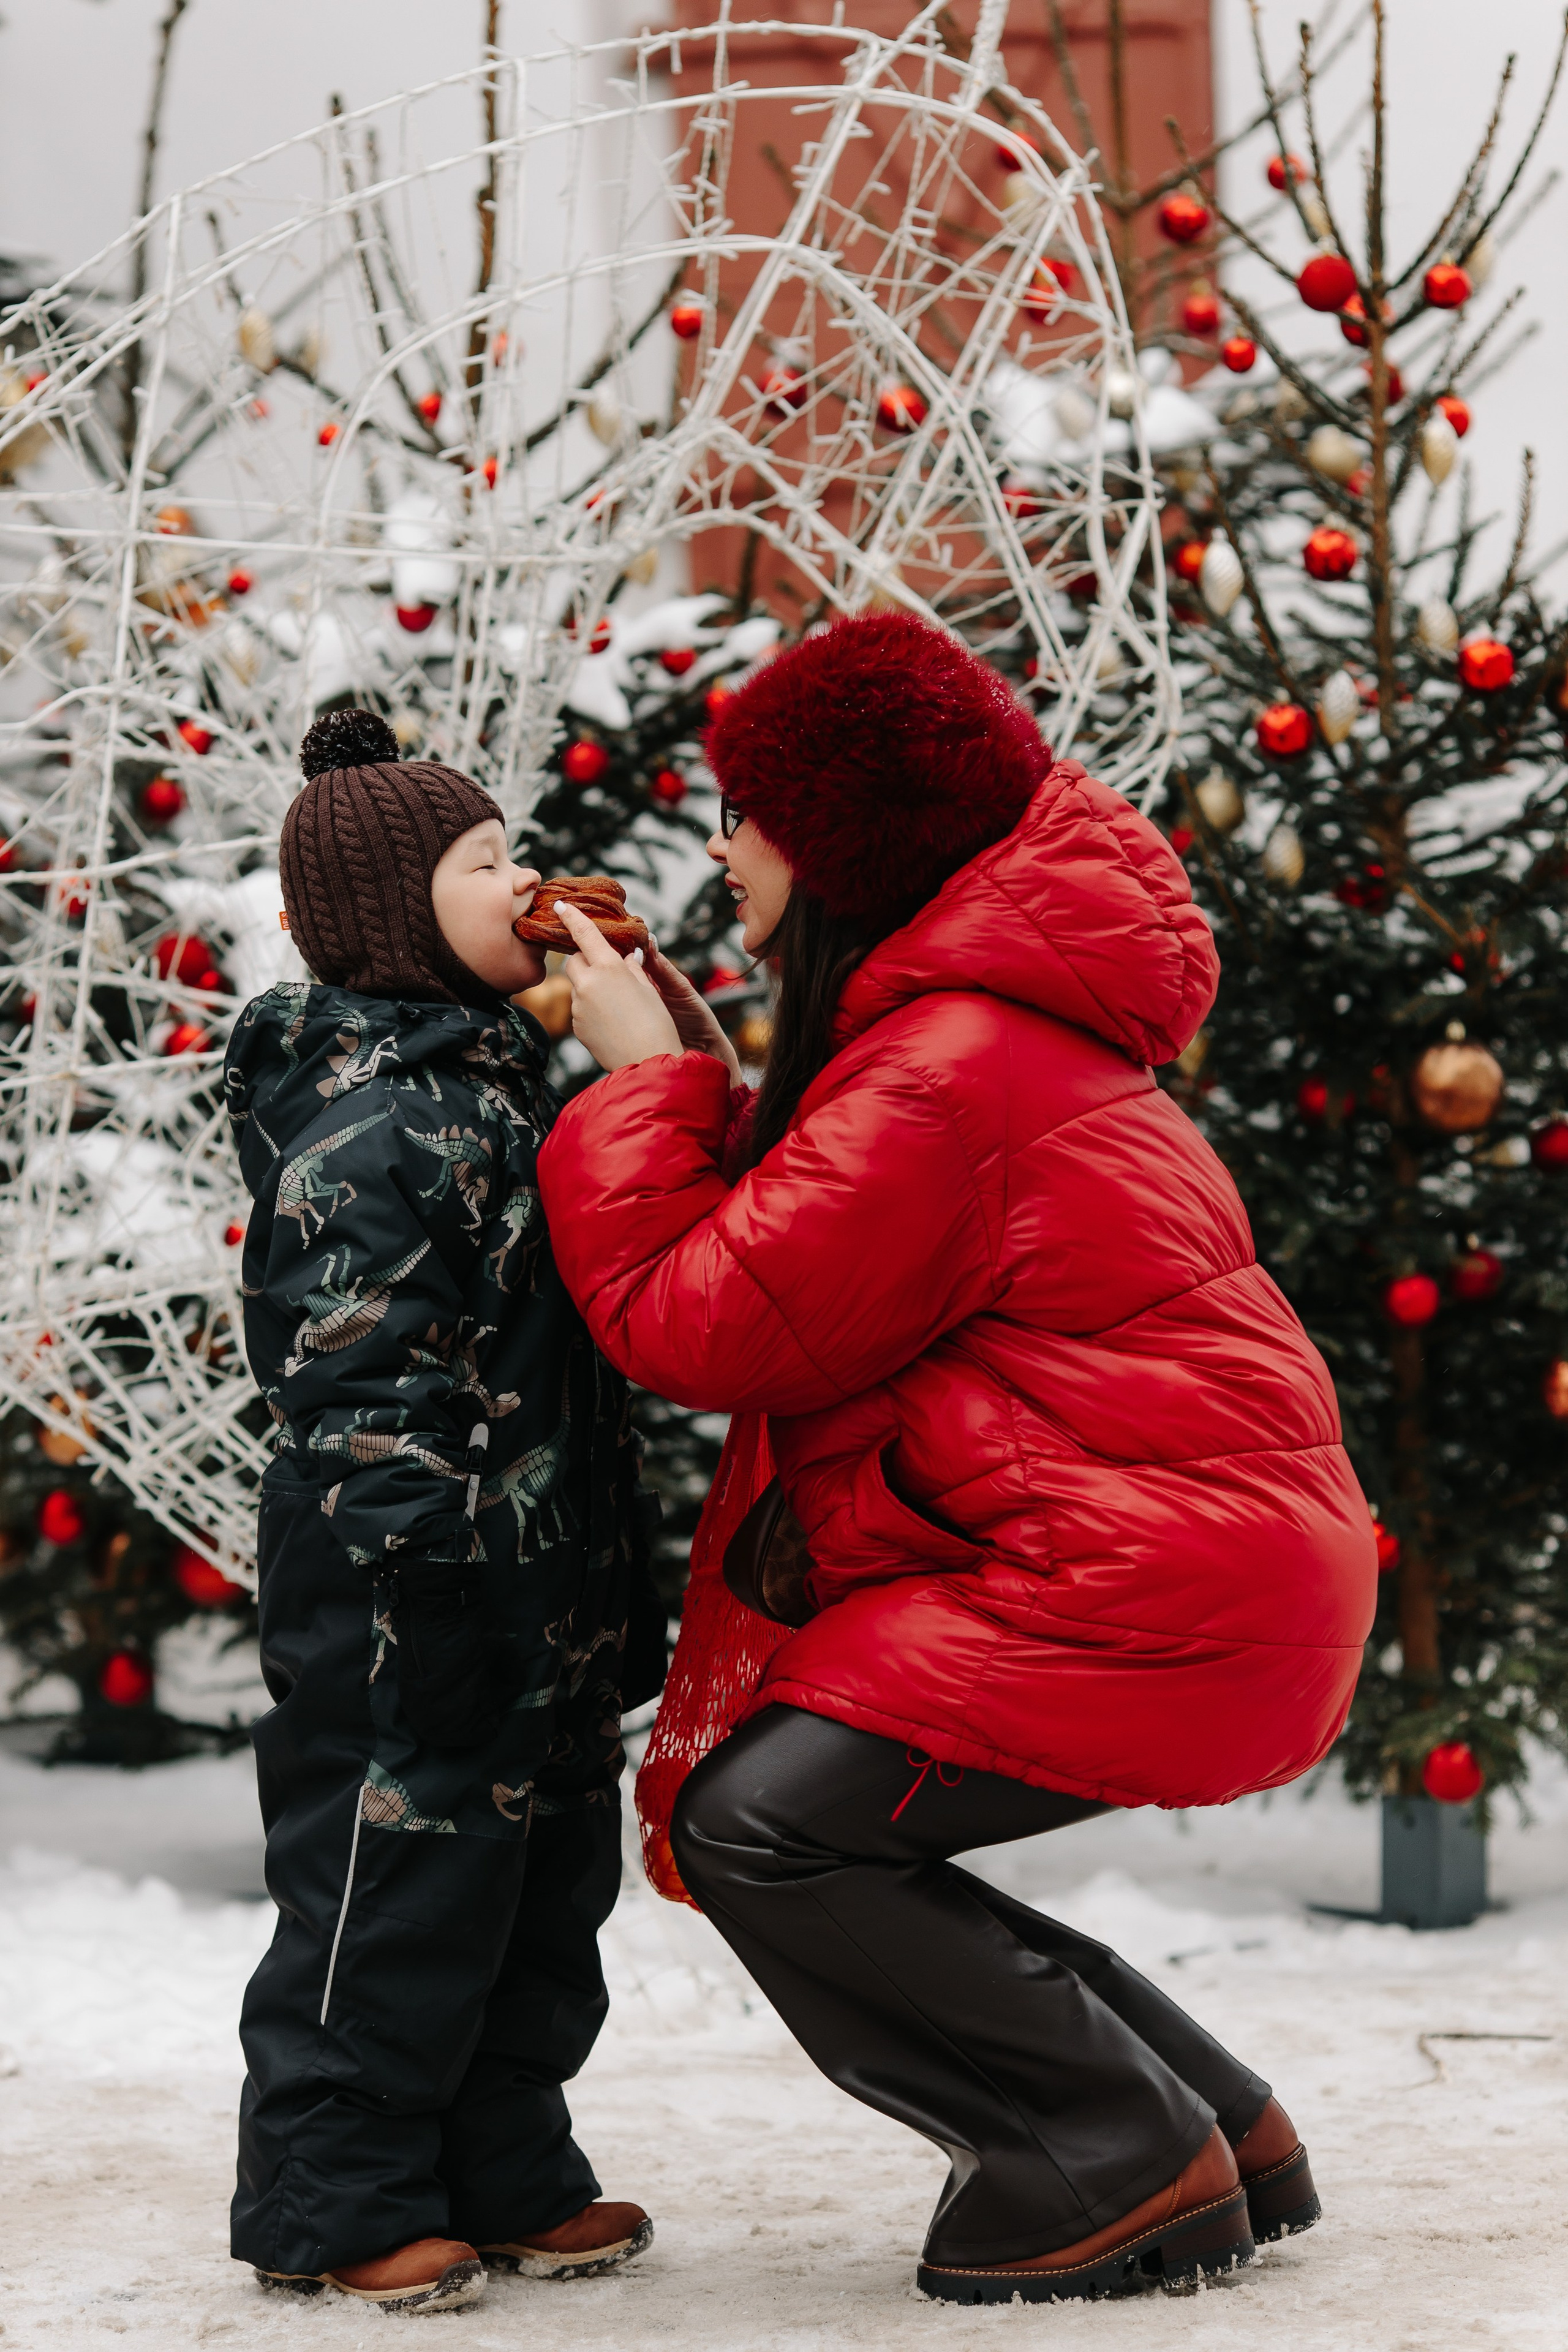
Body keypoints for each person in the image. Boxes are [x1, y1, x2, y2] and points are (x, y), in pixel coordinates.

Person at [535, 611, 1378, 2306]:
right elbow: (811, 1255)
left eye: (745, 813)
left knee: (767, 1825)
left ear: (835, 840)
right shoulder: (973, 1035)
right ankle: (1202, 2123)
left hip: (1154, 1577)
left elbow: (706, 1319)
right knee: (822, 1821)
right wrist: (707, 1070)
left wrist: (646, 1084)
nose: (722, 851)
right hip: (1196, 1560)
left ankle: (1102, 2156)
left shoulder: (949, 1067)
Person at [223, 708, 662, 2315]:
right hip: (409, 1592)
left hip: (529, 1582)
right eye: (486, 862)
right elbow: (353, 1372)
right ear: (401, 913)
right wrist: (427, 1560)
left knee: (541, 1889)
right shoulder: (374, 1121)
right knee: (387, 1893)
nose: (524, 878)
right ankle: (331, 2194)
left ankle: (502, 2164)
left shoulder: (495, 1086)